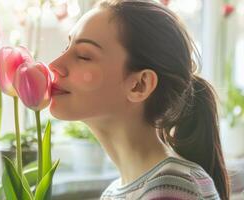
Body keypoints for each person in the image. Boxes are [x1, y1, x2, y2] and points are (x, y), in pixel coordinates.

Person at [48, 0, 229, 199]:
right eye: (66, 48)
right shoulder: (115, 193)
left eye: (83, 56)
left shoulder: (169, 187)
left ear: (139, 85)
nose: (55, 64)